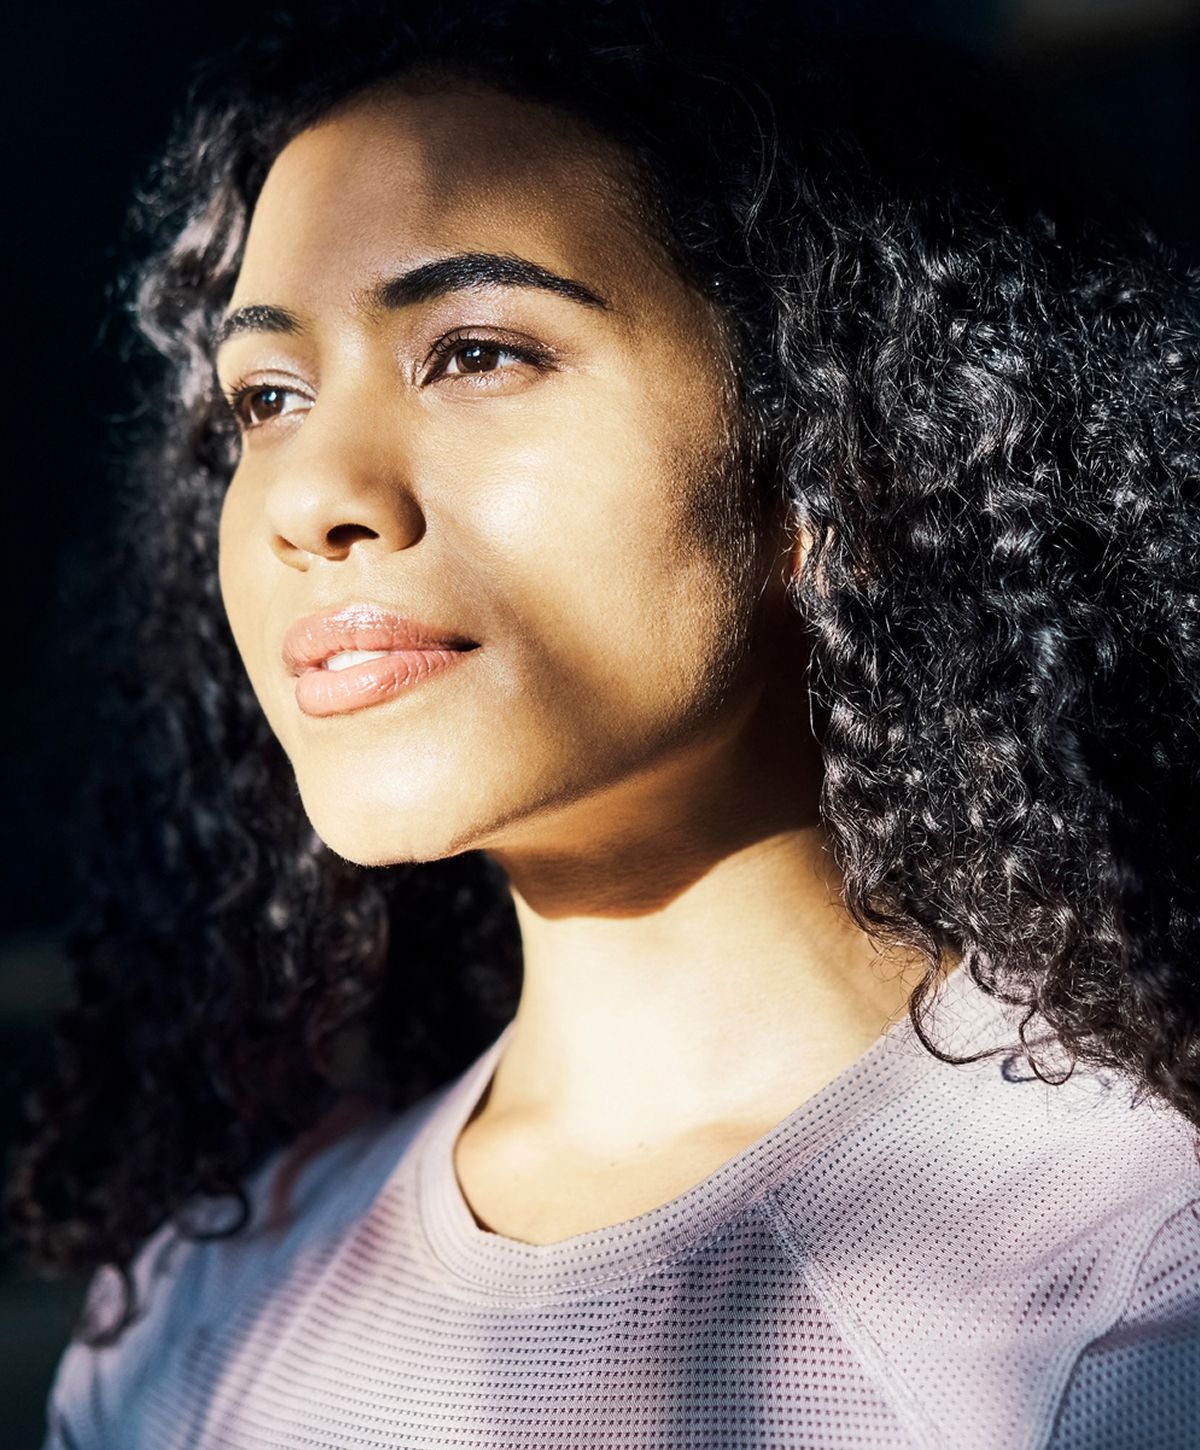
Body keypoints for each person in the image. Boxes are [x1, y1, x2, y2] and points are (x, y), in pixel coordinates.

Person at [7, 1, 1199, 1445]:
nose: (318, 494)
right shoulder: (194, 1321)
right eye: (266, 396)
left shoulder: (1128, 1292)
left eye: (478, 353)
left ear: (827, 456)